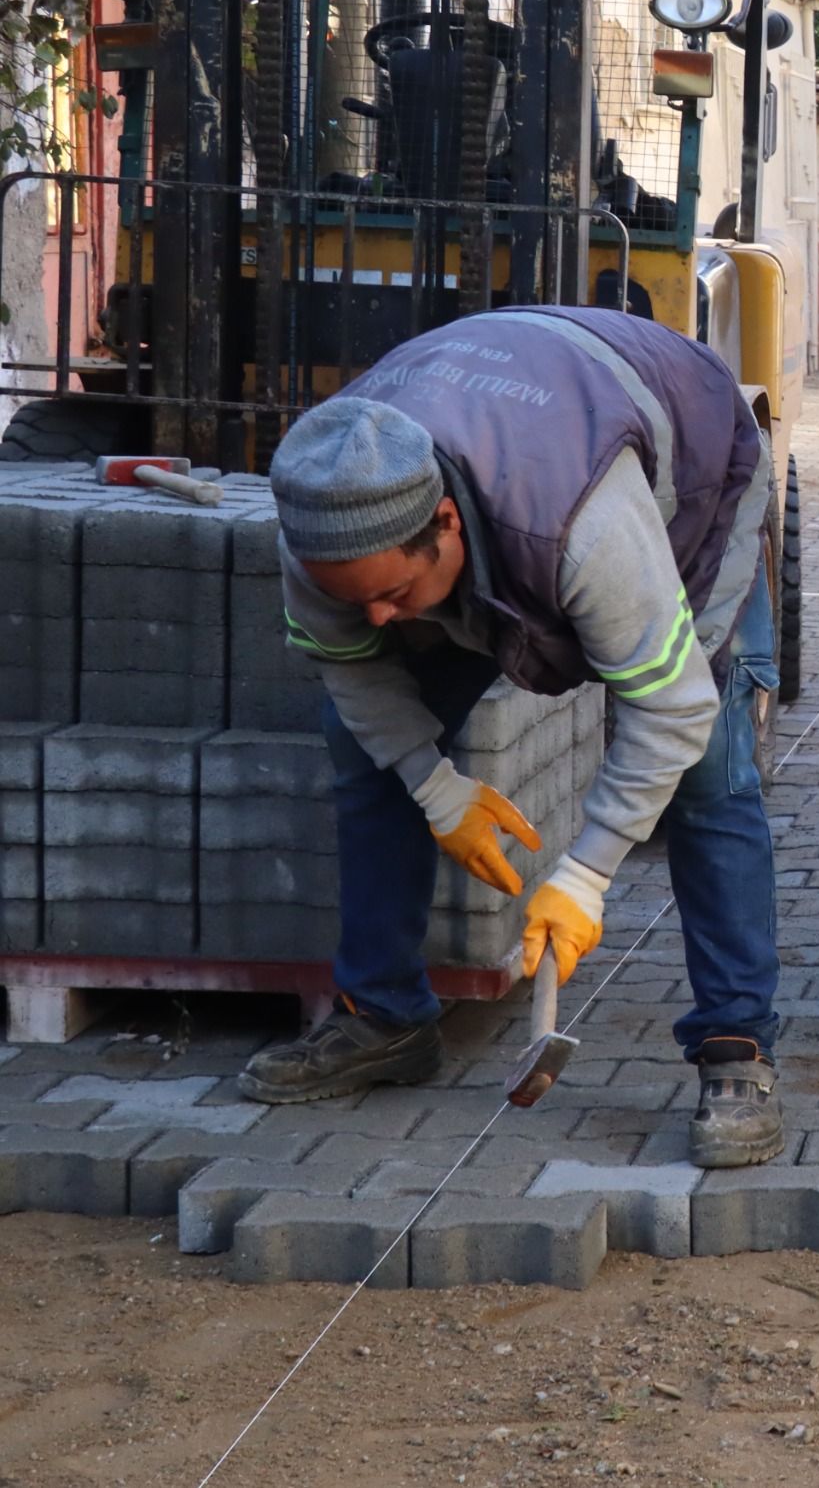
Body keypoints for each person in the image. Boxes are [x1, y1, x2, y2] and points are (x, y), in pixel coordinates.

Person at [237, 304, 787, 1169]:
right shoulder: (323, 527)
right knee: (362, 747)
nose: (377, 619)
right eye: (355, 600)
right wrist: (431, 783)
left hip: (691, 474)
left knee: (709, 768)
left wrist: (585, 873)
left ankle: (735, 1046)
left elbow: (669, 708)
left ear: (445, 525)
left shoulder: (580, 526)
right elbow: (352, 668)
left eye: (395, 595)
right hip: (513, 447)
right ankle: (385, 1016)